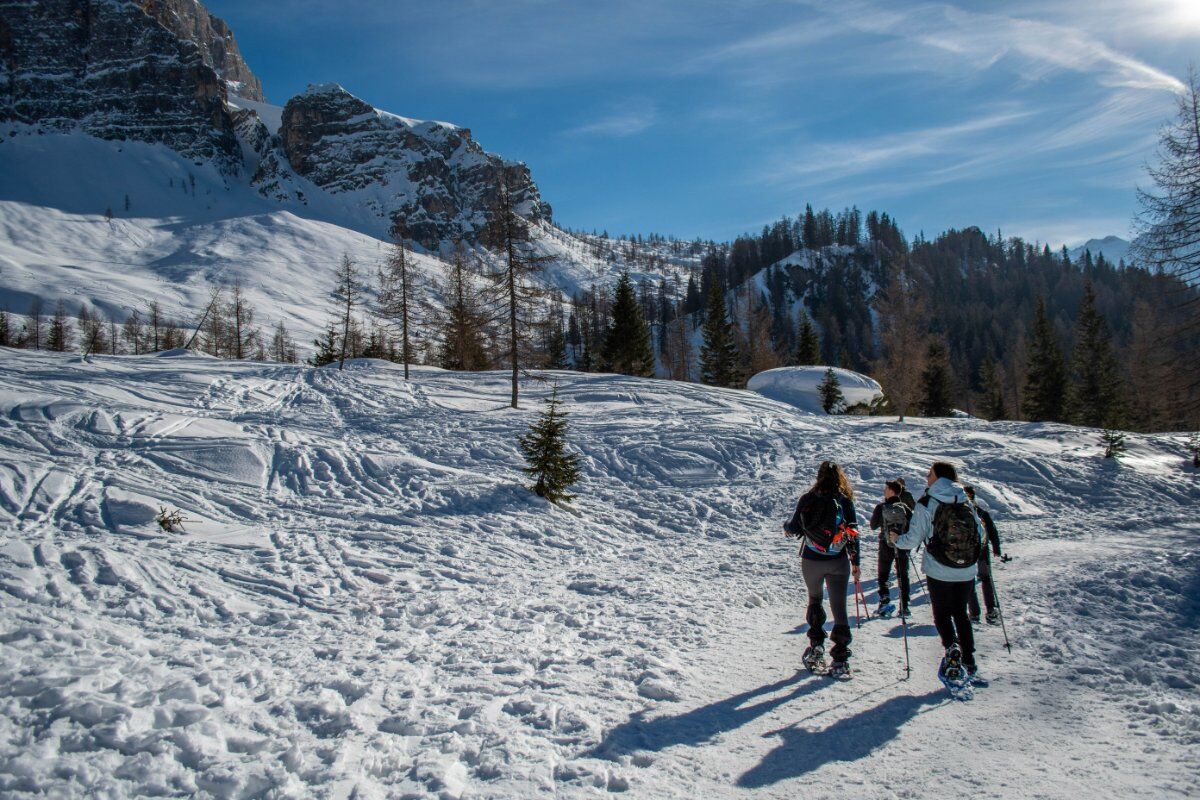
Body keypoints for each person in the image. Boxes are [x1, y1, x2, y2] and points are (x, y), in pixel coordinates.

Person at [889, 461, 985, 681]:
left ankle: (952, 649)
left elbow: (913, 538)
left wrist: (897, 540)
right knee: (961, 613)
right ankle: (969, 660)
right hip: (966, 569)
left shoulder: (927, 502)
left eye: (930, 473)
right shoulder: (965, 500)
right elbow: (980, 532)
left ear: (939, 477)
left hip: (939, 568)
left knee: (942, 613)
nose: (926, 476)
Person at [784, 460, 862, 678]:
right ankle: (840, 659)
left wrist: (786, 528)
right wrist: (856, 562)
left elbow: (794, 527)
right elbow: (853, 532)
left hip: (811, 559)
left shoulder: (808, 499)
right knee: (840, 608)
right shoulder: (844, 501)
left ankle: (816, 648)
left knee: (815, 599)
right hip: (838, 560)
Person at [869, 480, 912, 617]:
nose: (884, 490)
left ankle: (884, 601)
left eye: (886, 488)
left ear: (891, 491)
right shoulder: (905, 507)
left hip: (885, 544)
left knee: (883, 574)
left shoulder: (881, 507)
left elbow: (873, 525)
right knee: (903, 575)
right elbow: (912, 527)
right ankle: (904, 606)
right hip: (902, 545)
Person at [963, 485, 1004, 625]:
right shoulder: (981, 513)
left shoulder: (963, 512)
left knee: (969, 580)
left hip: (967, 550)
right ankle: (990, 609)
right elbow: (992, 530)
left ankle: (974, 613)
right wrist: (996, 547)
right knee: (985, 578)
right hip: (982, 548)